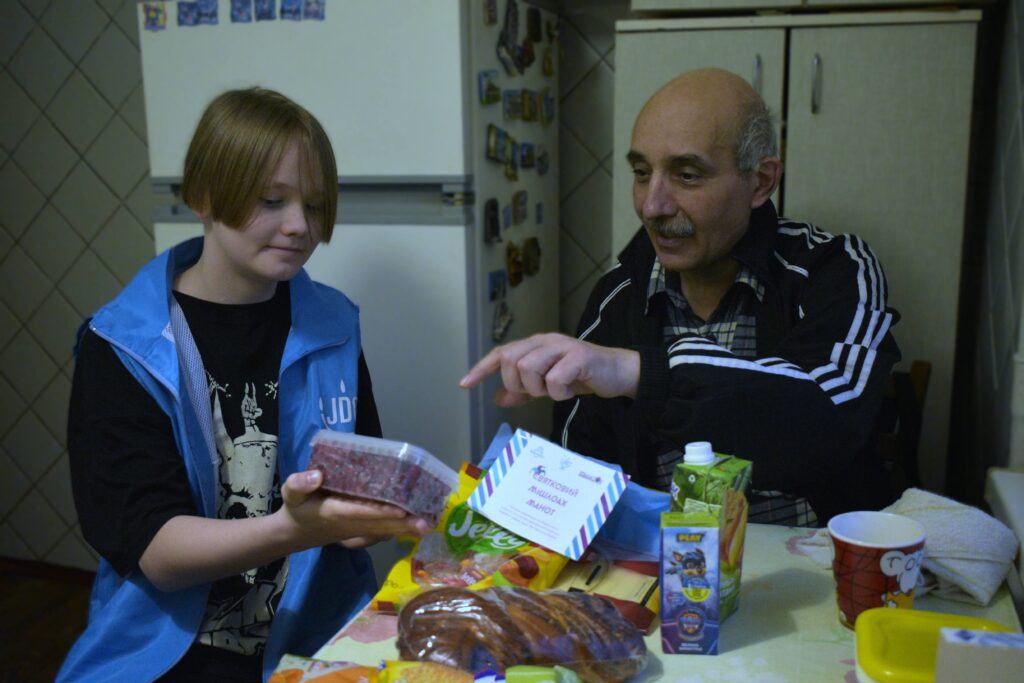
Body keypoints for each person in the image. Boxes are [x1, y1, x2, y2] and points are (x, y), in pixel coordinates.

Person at [58, 88, 429, 683]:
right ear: (203, 196)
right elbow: (157, 552)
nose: (299, 226)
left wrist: (379, 515)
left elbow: (359, 481)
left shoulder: (334, 325)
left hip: (316, 633)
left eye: (314, 204)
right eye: (271, 200)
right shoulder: (122, 346)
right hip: (172, 650)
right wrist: (294, 528)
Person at [461, 68, 901, 526]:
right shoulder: (618, 294)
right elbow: (582, 466)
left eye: (687, 176)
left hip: (813, 568)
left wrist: (637, 372)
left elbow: (830, 421)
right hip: (663, 567)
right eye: (641, 173)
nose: (652, 207)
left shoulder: (833, 269)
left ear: (761, 181)